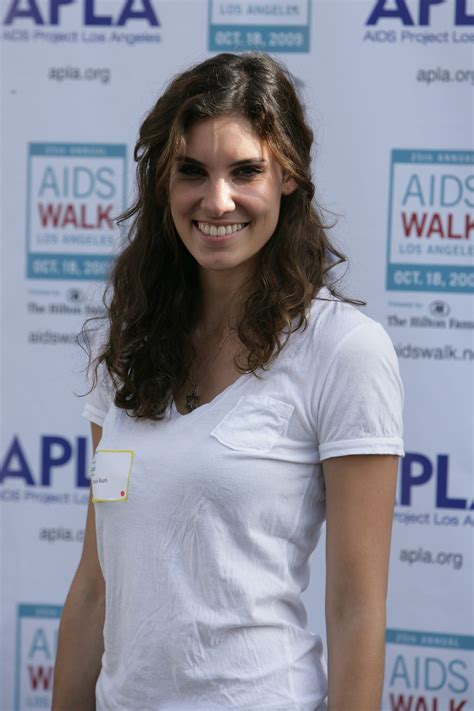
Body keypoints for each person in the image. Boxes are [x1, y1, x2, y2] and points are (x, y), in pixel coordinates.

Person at [52, 52, 404, 711]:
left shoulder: (344, 350)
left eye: (246, 171)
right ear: (163, 183)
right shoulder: (126, 340)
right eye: (192, 171)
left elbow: (357, 605)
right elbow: (96, 584)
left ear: (290, 177)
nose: (217, 200)